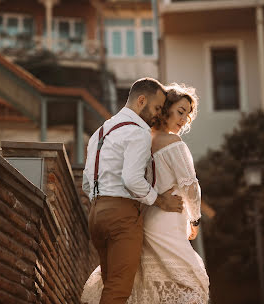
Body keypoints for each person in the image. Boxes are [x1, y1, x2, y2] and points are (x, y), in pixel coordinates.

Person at [81, 83, 210, 304]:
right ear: (144, 101)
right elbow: (187, 186)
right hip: (131, 215)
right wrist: (192, 218)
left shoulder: (102, 131)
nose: (183, 120)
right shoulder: (143, 133)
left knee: (120, 283)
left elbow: (86, 181)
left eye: (187, 116)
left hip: (101, 214)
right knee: (121, 289)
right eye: (161, 108)